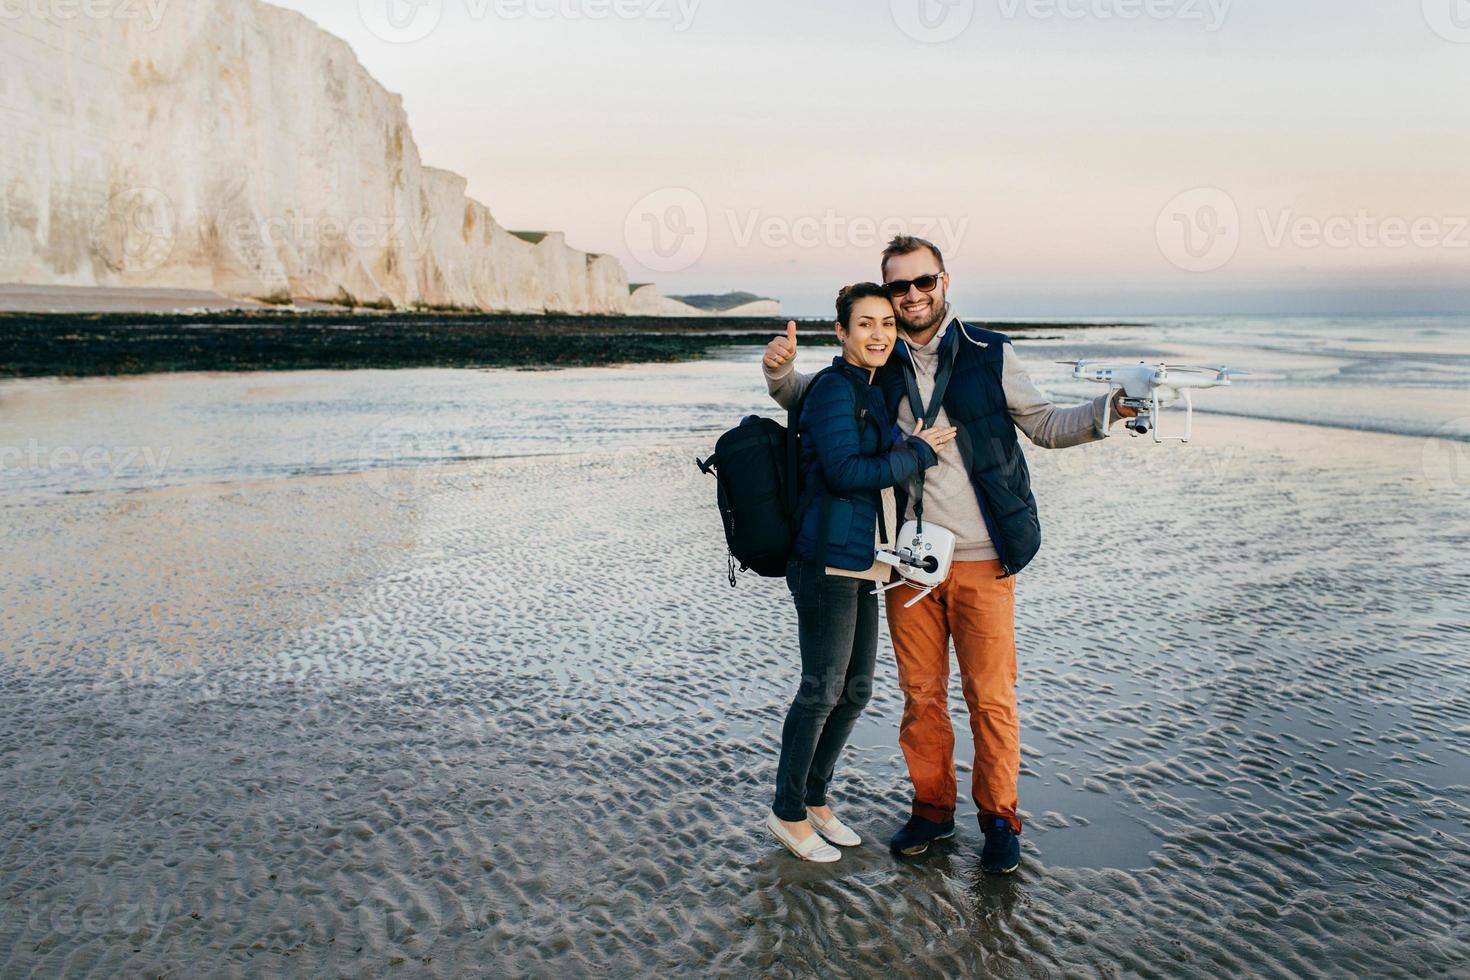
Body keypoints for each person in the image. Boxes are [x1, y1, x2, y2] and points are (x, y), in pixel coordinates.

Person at [762, 236, 1138, 873]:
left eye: (922, 283)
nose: (911, 296)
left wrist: (1109, 410)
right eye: (898, 288)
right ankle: (932, 811)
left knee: (990, 697)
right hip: (907, 561)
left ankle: (999, 818)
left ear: (944, 283)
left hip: (983, 555)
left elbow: (1044, 423)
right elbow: (820, 398)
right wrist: (778, 372)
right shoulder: (882, 365)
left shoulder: (990, 353)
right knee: (921, 697)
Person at [765, 282, 958, 863]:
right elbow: (848, 471)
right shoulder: (831, 390)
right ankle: (787, 810)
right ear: (842, 334)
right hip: (824, 557)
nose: (879, 334)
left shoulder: (873, 389)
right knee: (821, 690)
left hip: (865, 558)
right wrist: (919, 452)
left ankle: (816, 799)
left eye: (887, 324)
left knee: (855, 691)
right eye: (866, 324)